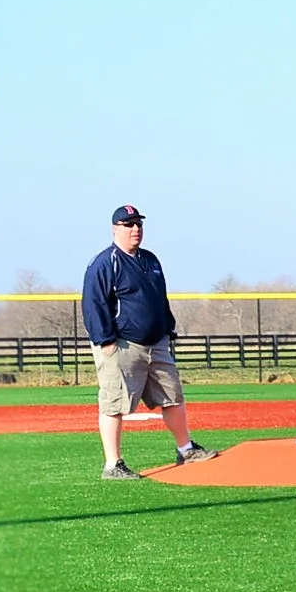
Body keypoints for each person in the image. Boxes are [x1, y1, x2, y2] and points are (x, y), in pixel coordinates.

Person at [80, 204, 216, 481]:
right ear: (115, 229)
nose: (136, 229)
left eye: (138, 224)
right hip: (122, 345)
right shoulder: (105, 263)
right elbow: (93, 304)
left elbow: (159, 297)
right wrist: (105, 341)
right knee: (114, 403)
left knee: (173, 397)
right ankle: (113, 464)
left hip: (157, 343)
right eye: (129, 224)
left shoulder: (150, 259)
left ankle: (186, 449)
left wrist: (168, 328)